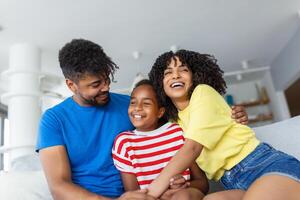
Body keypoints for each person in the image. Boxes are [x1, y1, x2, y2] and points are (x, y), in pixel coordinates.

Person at [36, 39, 248, 200]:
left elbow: (186, 122)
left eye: (107, 79)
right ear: (71, 85)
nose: (106, 87)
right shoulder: (54, 120)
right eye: (96, 84)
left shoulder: (131, 106)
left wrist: (230, 115)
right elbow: (59, 186)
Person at [146, 49, 300, 200]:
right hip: (233, 183)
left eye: (183, 69)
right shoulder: (175, 122)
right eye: (168, 72)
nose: (176, 75)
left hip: (264, 166)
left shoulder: (203, 92)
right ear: (160, 84)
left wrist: (149, 194)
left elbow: (192, 147)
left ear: (194, 77)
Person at [112, 79, 208, 200]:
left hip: (184, 196)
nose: (137, 108)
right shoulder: (124, 142)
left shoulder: (178, 132)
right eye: (133, 103)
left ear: (160, 112)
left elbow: (203, 184)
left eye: (146, 104)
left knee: (183, 196)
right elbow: (133, 195)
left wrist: (184, 185)